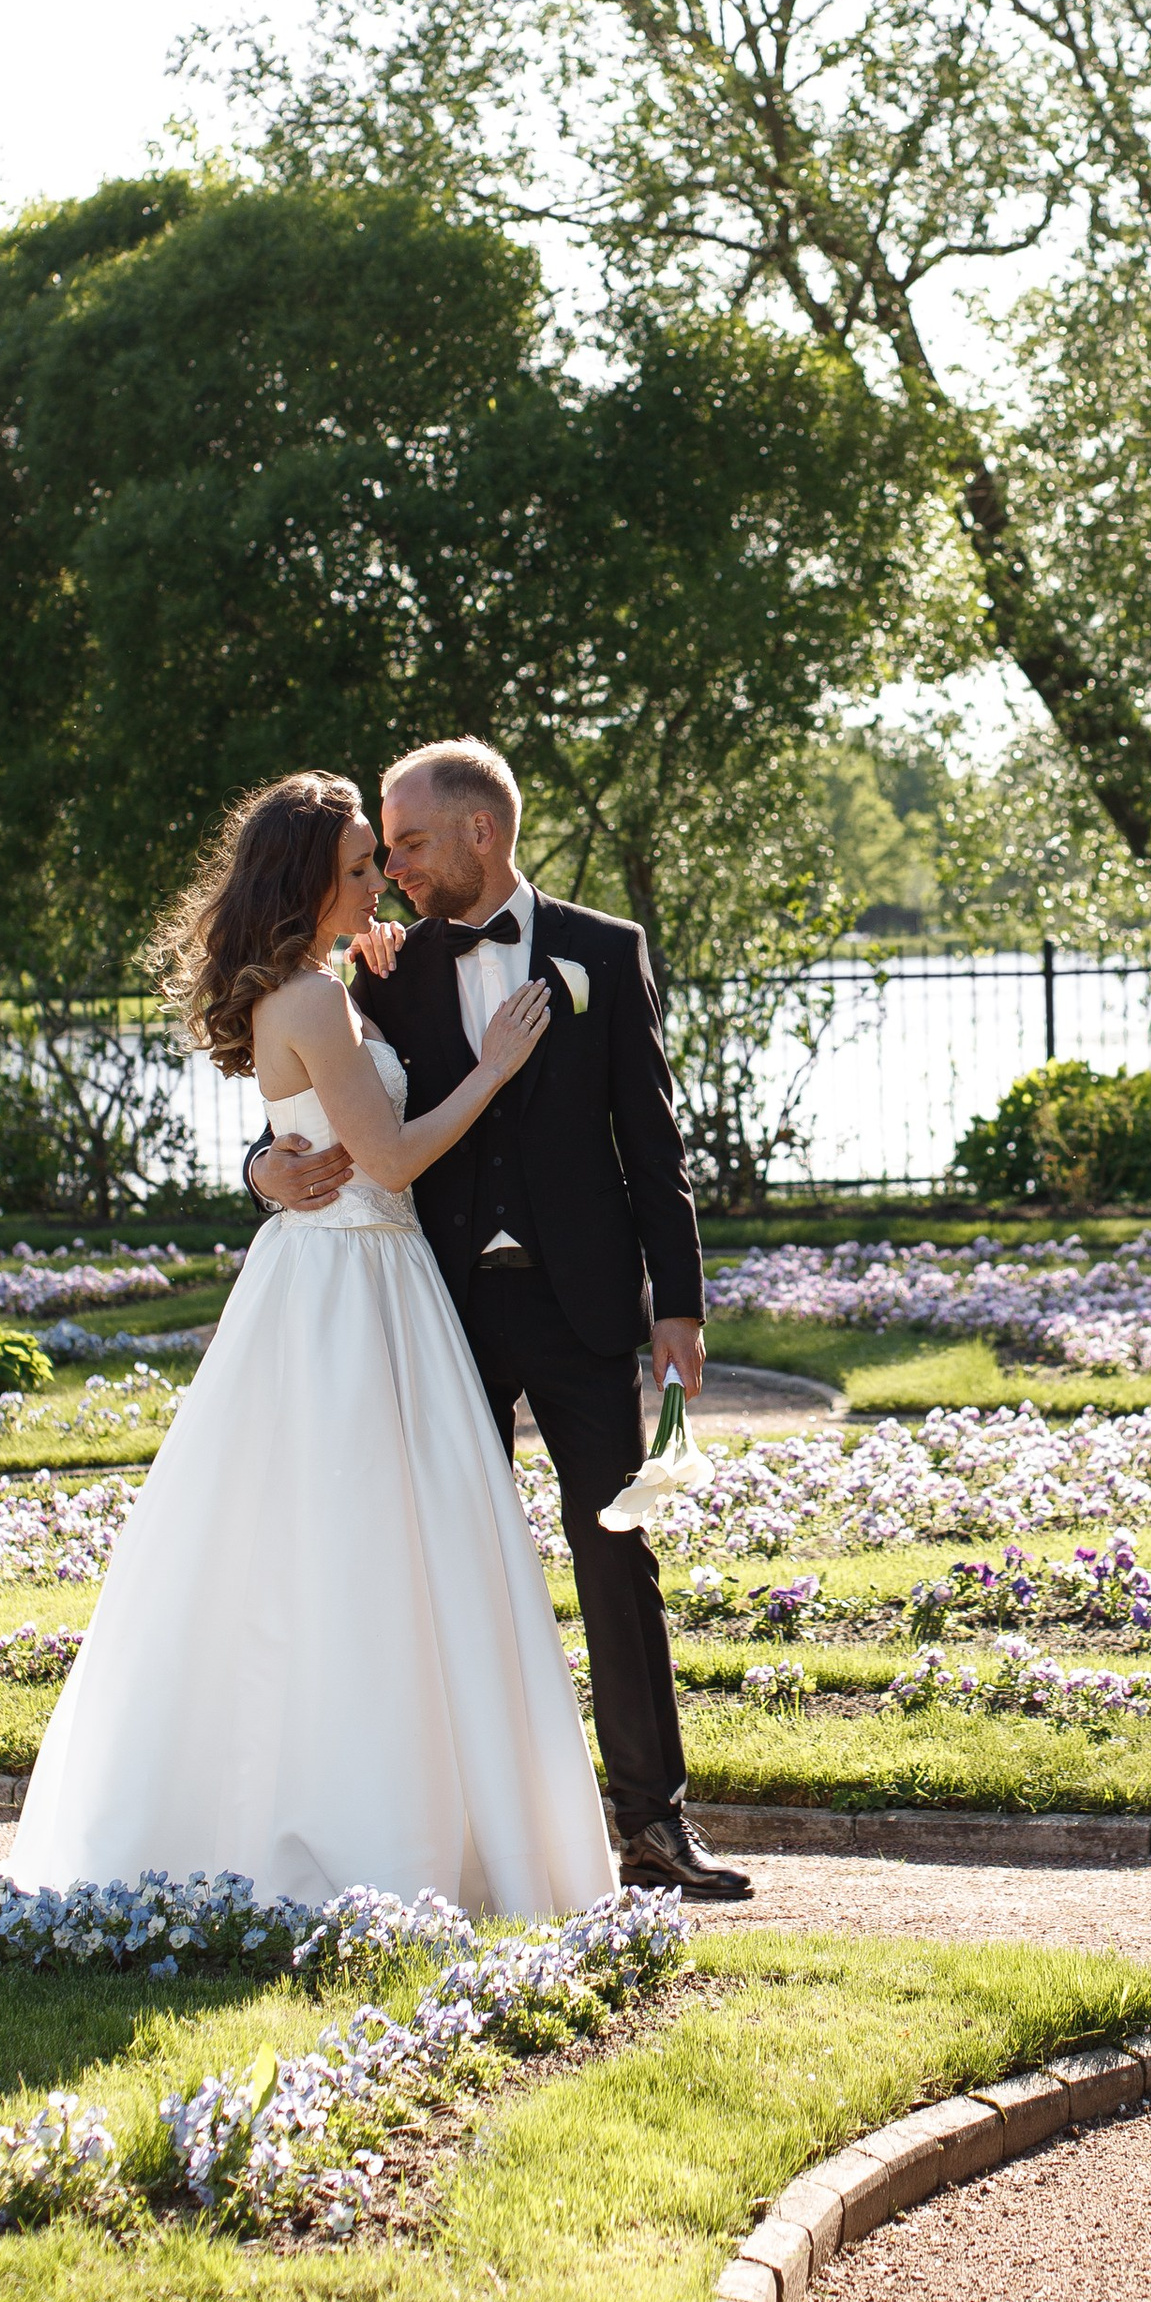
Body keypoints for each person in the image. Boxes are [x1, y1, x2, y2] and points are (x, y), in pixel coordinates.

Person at [8, 770, 615, 1919]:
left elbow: (302, 1124)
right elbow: (383, 1161)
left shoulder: (323, 987)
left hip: (354, 1277)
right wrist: (493, 1065)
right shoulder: (313, 1002)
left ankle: (390, 1812)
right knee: (368, 1548)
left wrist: (358, 988)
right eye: (354, 869)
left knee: (352, 1548)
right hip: (353, 1283)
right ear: (306, 884)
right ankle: (380, 1828)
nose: (377, 878)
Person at [246, 737, 751, 1903]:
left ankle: (652, 1825)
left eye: (410, 843)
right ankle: (465, 1831)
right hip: (436, 1311)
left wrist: (677, 1302)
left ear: (483, 831)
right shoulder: (374, 971)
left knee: (617, 1553)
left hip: (580, 1307)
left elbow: (653, 1143)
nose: (399, 870)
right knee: (438, 1566)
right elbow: (307, 1104)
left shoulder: (601, 952)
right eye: (384, 852)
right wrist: (258, 1178)